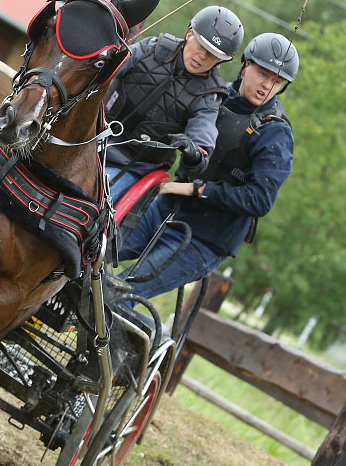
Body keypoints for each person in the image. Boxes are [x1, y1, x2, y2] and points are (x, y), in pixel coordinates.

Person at [117, 32, 298, 301]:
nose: (267, 86)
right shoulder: (213, 95)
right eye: (263, 73)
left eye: (277, 81)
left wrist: (196, 190)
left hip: (203, 241)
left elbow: (260, 200)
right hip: (163, 210)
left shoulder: (275, 133)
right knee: (90, 258)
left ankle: (129, 341)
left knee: (118, 294)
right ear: (246, 64)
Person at [104, 5, 244, 203]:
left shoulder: (210, 96)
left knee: (94, 193)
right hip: (91, 136)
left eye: (213, 55)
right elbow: (108, 67)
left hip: (132, 166)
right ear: (189, 34)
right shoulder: (152, 47)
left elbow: (202, 142)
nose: (203, 56)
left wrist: (194, 153)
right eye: (202, 46)